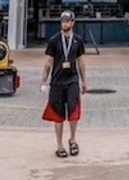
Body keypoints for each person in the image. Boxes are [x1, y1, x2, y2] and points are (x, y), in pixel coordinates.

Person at [41, 10, 86, 159]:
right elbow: (48, 61)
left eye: (68, 21)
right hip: (57, 81)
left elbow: (81, 61)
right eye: (63, 21)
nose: (65, 23)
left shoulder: (78, 40)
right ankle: (59, 145)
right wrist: (44, 80)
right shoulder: (54, 40)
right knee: (57, 115)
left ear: (73, 22)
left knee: (74, 112)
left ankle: (73, 140)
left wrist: (84, 80)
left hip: (72, 80)